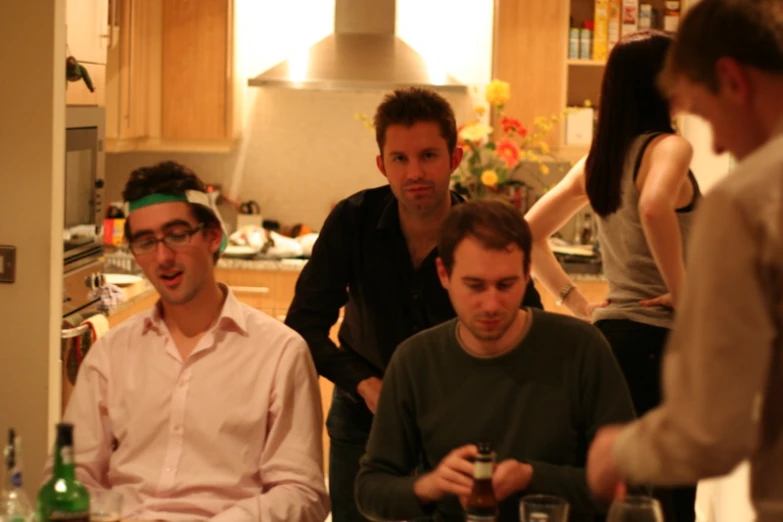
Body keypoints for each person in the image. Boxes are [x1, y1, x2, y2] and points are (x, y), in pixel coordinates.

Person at [284, 87, 543, 521]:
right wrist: (364, 384)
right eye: (400, 159)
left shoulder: (484, 232)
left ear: (454, 159)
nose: (415, 172)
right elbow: (304, 326)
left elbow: (531, 327)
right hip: (363, 420)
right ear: (382, 164)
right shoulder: (353, 221)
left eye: (428, 156)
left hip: (461, 423)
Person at [585, 2, 783, 521]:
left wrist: (619, 451)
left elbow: (715, 427)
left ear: (731, 81)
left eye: (705, 113)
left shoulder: (747, 201)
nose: (713, 142)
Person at [49, 161, 329, 521]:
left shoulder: (280, 353)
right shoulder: (112, 353)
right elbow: (74, 474)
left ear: (213, 236)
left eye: (177, 234)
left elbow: (302, 492)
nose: (163, 257)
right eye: (146, 242)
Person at [354, 199, 635, 522]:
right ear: (444, 274)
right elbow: (370, 490)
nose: (491, 304)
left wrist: (531, 477)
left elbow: (633, 484)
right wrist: (429, 486)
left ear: (527, 273)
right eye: (474, 286)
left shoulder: (581, 348)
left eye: (506, 285)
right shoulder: (415, 360)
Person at [524, 30, 699, 521]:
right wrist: (686, 299)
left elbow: (526, 233)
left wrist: (576, 303)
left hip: (609, 343)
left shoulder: (597, 161)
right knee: (668, 500)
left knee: (617, 496)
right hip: (663, 346)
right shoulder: (670, 147)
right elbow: (654, 206)